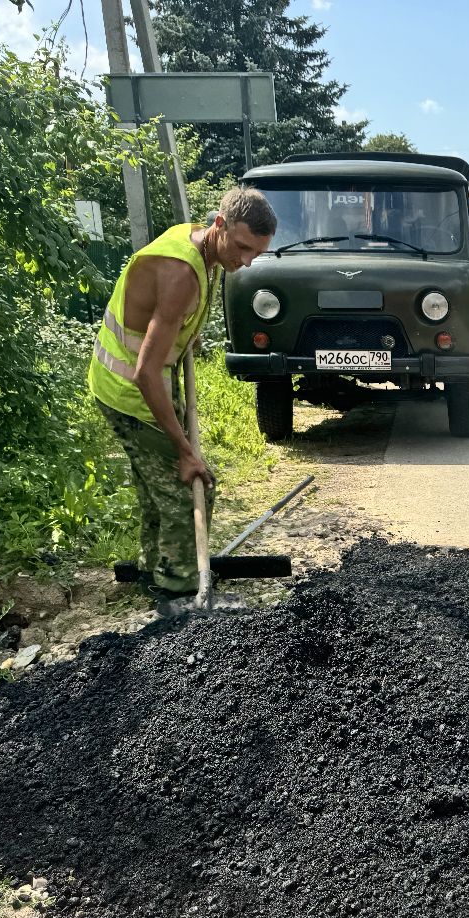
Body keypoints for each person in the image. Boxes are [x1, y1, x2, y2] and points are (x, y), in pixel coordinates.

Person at [88, 187, 277, 612]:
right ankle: (178, 593)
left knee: (156, 486)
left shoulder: (198, 245)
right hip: (130, 389)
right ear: (219, 225)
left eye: (257, 253)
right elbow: (144, 373)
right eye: (243, 247)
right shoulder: (179, 275)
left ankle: (156, 569)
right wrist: (184, 448)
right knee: (188, 485)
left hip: (137, 379)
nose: (246, 262)